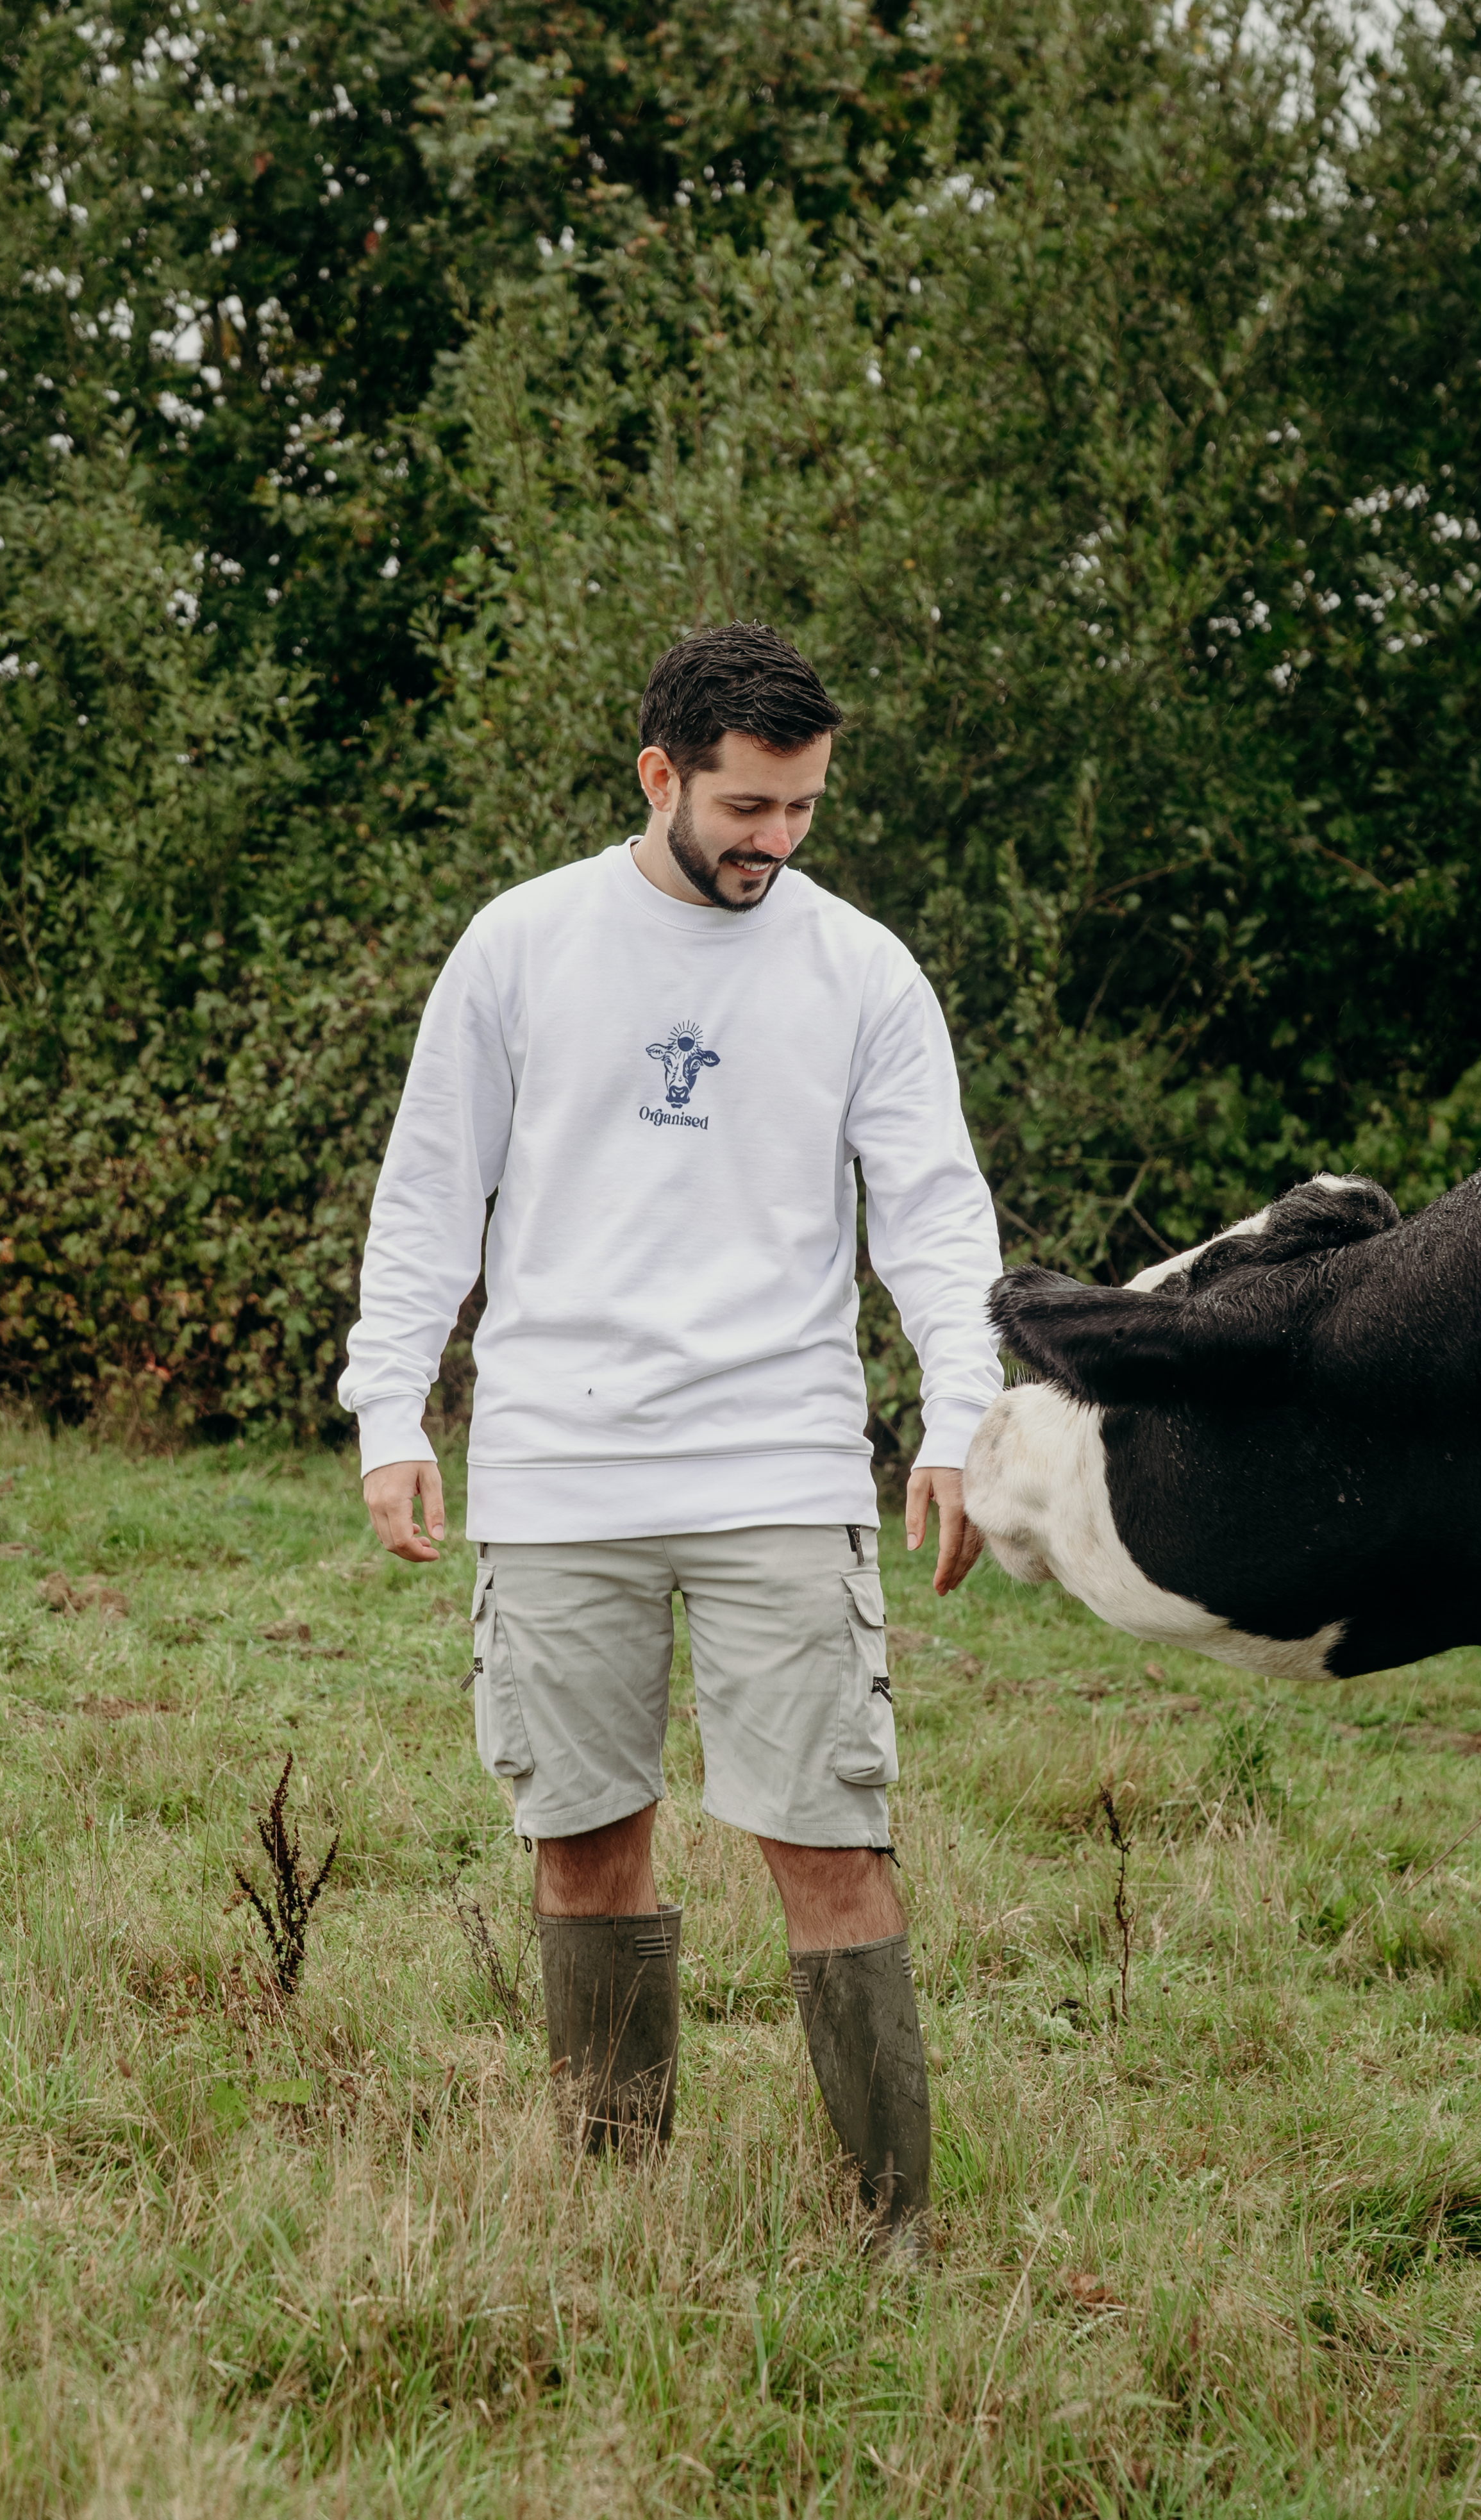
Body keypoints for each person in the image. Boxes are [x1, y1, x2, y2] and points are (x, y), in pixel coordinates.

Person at [337, 624, 1003, 2256]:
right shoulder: (522, 945)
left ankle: (891, 2231)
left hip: (777, 1459)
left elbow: (931, 1206)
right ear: (661, 774)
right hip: (559, 1466)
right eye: (748, 809)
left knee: (829, 1837)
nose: (776, 842)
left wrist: (960, 1410)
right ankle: (614, 2203)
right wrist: (387, 1403)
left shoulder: (860, 968)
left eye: (803, 810)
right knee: (583, 1841)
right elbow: (433, 1187)